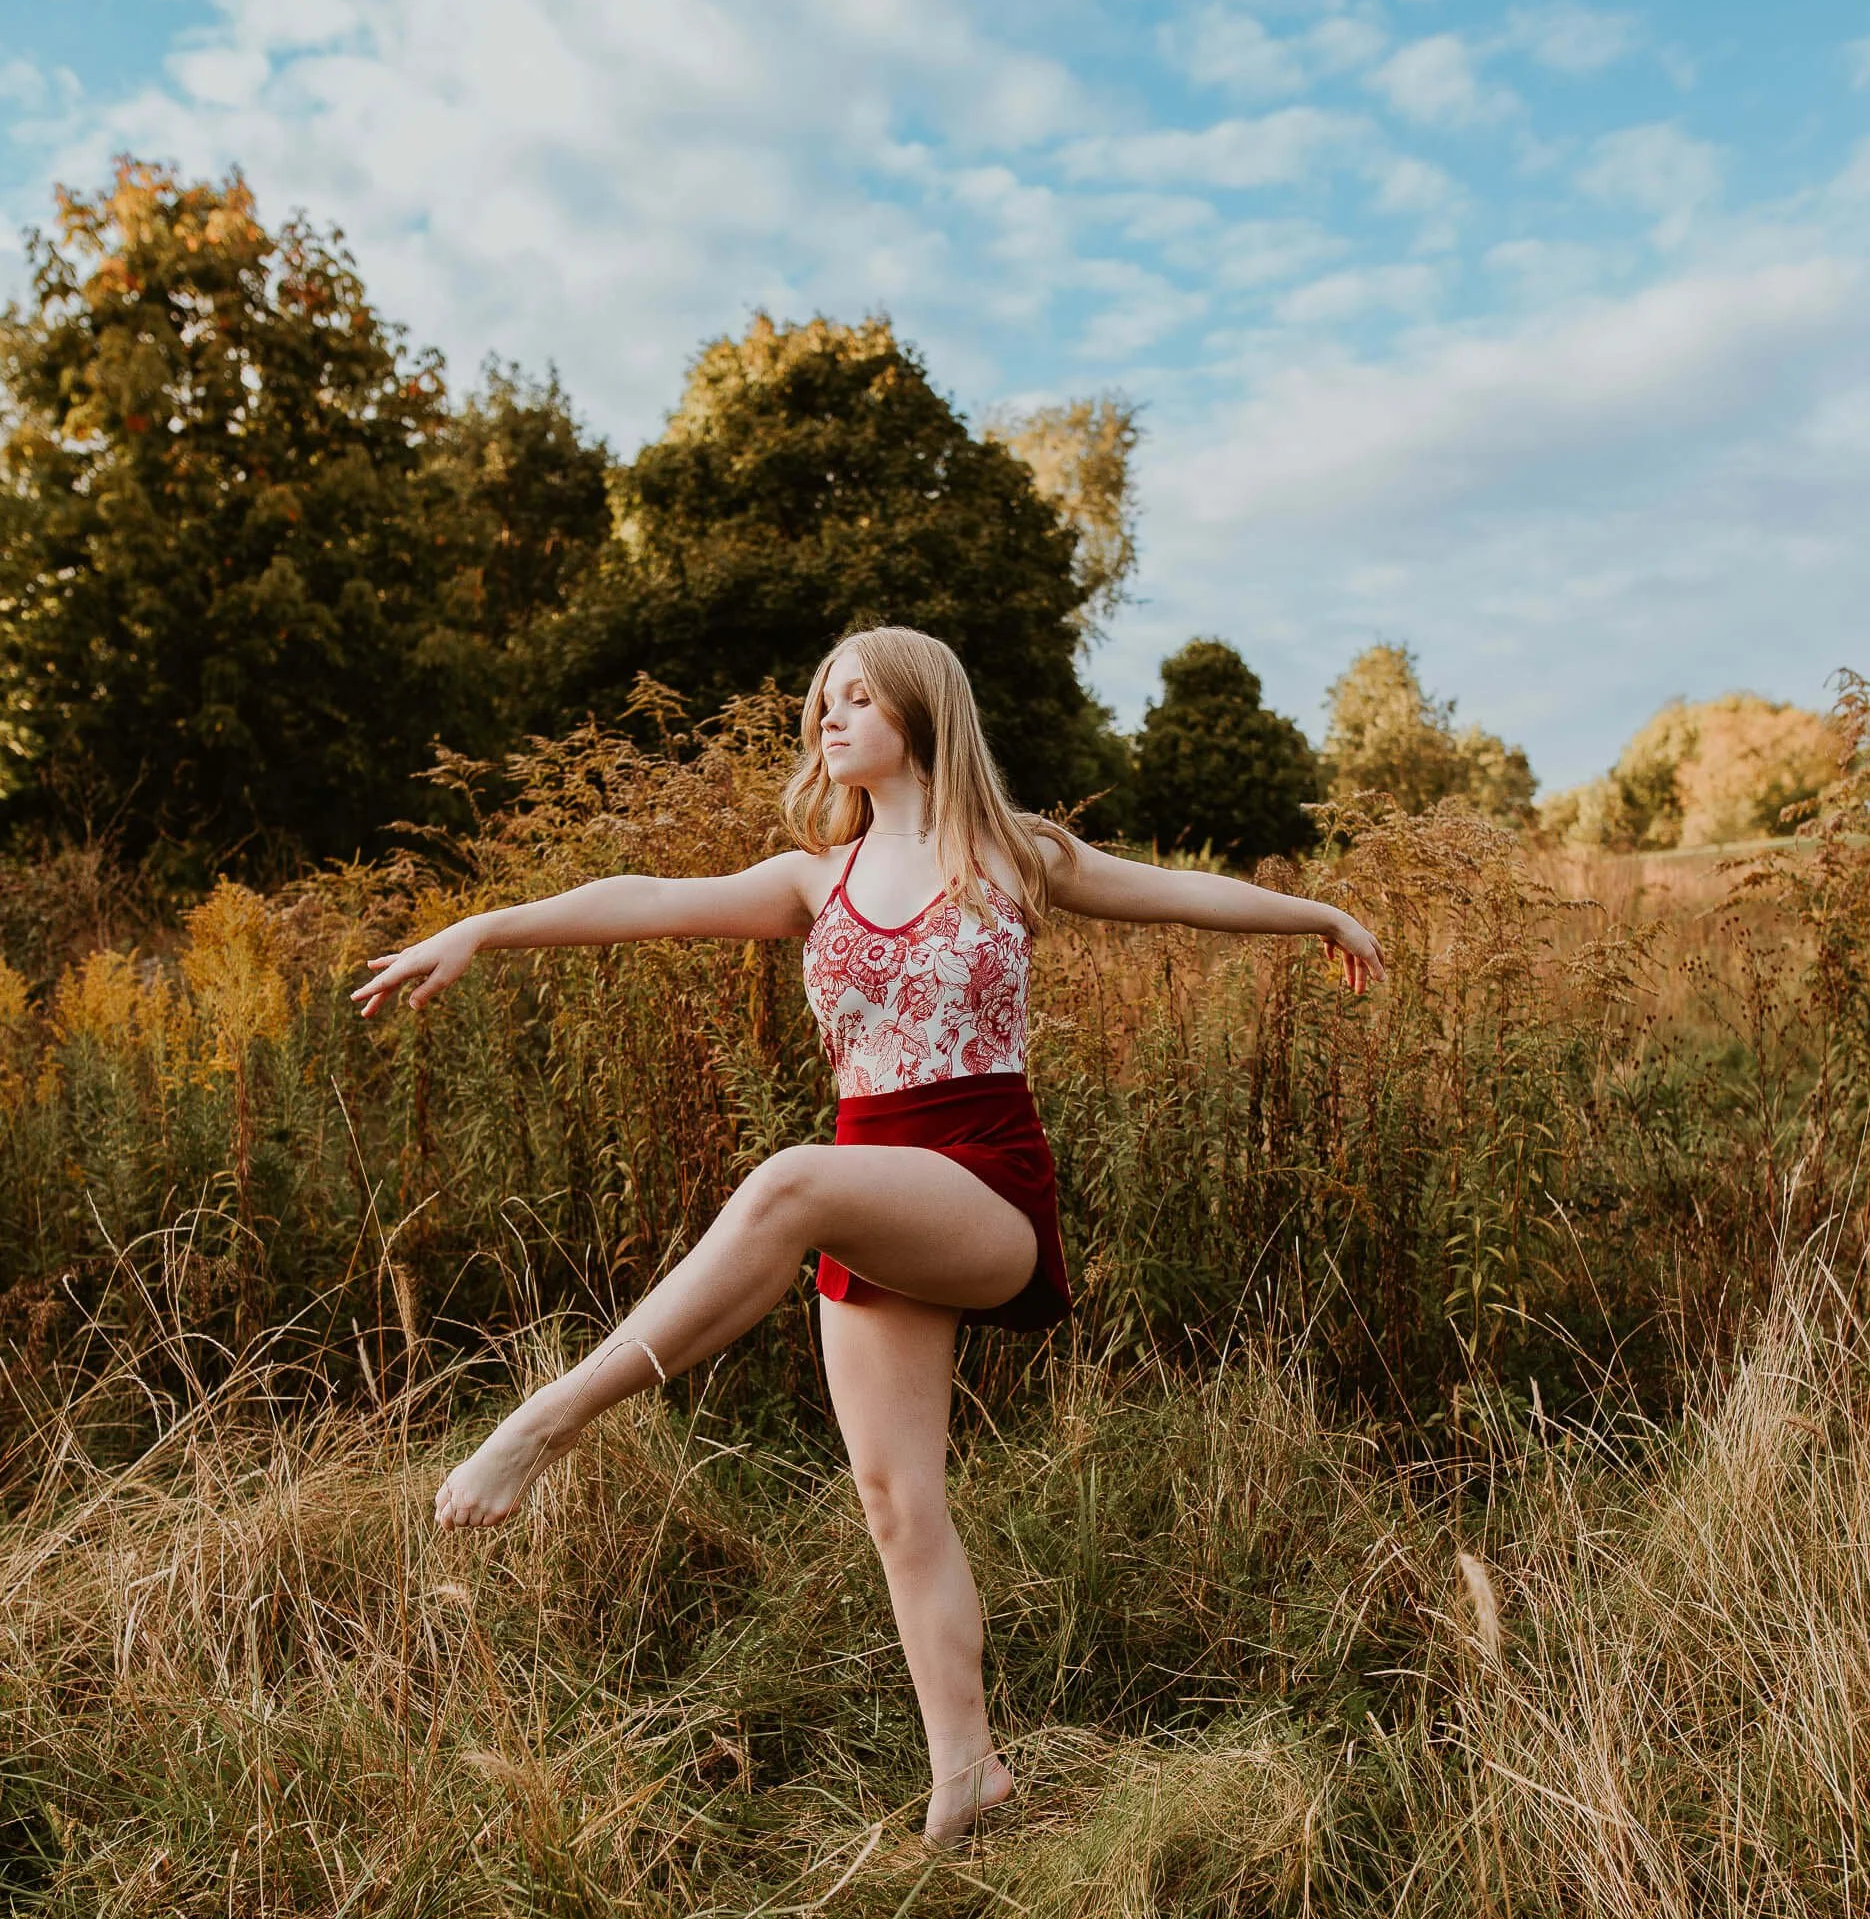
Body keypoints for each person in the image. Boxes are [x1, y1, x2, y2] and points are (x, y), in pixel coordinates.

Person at [353, 625, 1384, 1845]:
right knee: (897, 1500)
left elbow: (1182, 894)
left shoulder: (1013, 855)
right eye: (821, 703)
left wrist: (1317, 911)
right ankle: (970, 1777)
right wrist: (482, 926)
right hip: (870, 1191)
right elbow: (636, 902)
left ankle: (546, 1422)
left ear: (919, 713)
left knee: (791, 1182)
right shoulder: (811, 880)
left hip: (982, 1182)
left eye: (854, 700)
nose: (828, 721)